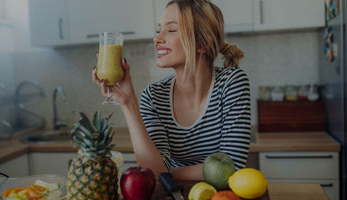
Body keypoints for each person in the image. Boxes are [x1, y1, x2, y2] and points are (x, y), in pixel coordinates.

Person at [92, 0, 251, 180]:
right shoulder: (154, 96)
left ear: (202, 43)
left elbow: (233, 167)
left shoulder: (231, 83)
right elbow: (153, 173)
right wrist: (127, 102)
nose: (157, 38)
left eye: (171, 30)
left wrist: (167, 173)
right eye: (158, 30)